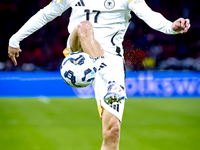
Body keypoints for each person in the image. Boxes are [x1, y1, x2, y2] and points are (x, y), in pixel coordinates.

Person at [8, 0, 190, 149]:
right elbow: (45, 14)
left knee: (112, 133)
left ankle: (110, 80)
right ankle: (111, 82)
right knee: (84, 26)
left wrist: (170, 26)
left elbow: (149, 15)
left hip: (112, 60)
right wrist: (15, 39)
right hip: (79, 53)